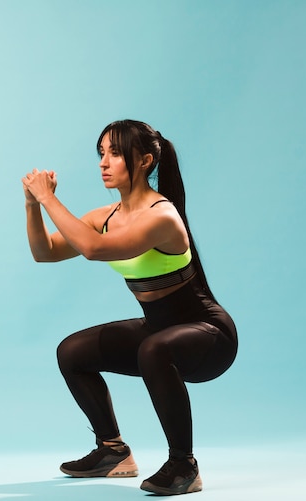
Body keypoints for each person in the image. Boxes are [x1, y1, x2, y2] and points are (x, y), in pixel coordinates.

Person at [21, 119, 237, 496]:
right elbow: (45, 253)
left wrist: (49, 198)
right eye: (101, 153)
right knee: (72, 351)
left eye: (115, 153)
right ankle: (112, 451)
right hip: (159, 329)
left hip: (210, 336)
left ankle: (184, 465)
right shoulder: (105, 217)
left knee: (153, 349)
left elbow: (93, 249)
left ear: (145, 161)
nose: (104, 162)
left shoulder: (161, 216)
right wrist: (32, 206)